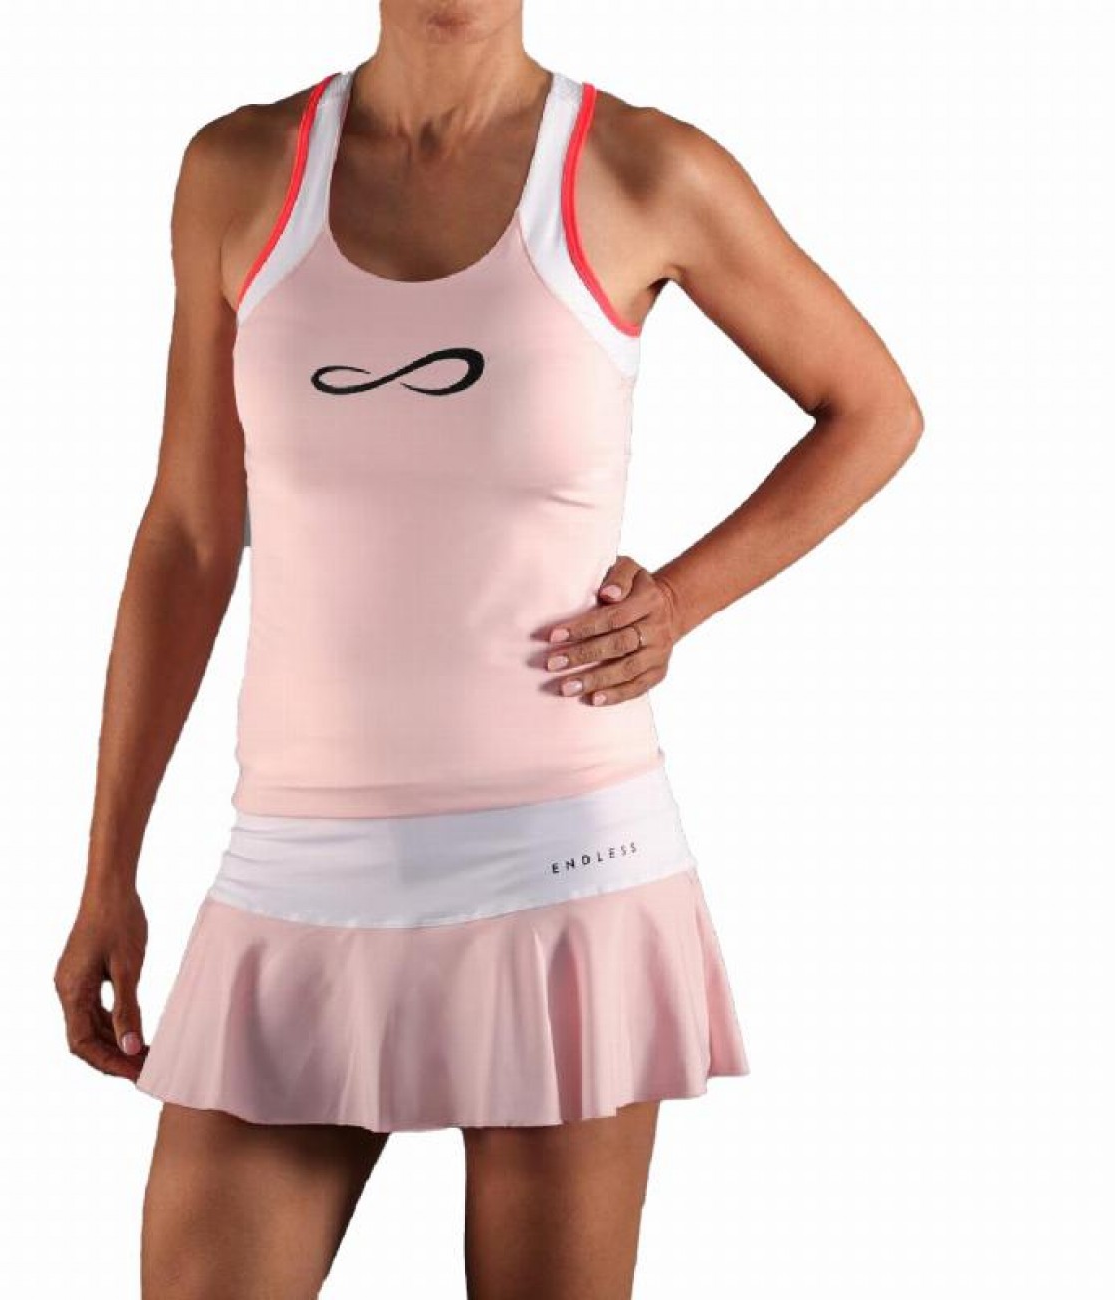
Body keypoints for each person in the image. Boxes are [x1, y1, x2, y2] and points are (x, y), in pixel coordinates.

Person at [54, 3, 923, 1296]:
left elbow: (873, 409)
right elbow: (188, 533)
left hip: (561, 872)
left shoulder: (645, 169)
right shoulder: (237, 172)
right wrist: (108, 871)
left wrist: (679, 602)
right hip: (294, 871)